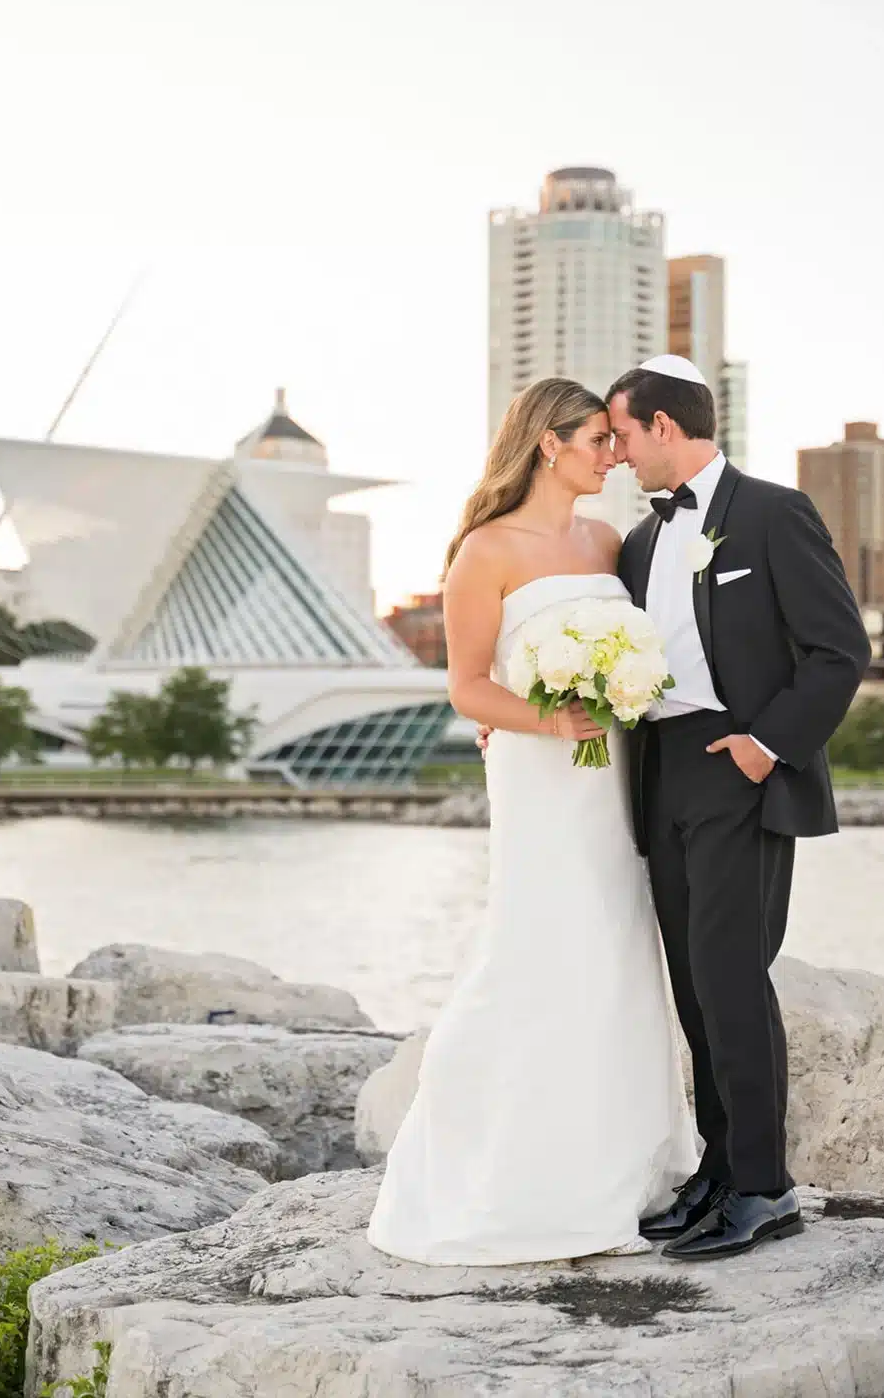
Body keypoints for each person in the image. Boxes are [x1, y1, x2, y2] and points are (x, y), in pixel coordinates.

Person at [367, 378, 697, 1266]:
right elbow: (468, 685)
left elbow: (649, 643)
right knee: (539, 946)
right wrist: (549, 718)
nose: (611, 453)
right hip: (541, 776)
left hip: (613, 775)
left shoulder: (607, 541)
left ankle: (619, 1165)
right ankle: (499, 1167)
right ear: (548, 444)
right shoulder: (484, 550)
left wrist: (619, 689)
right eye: (596, 438)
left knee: (618, 947)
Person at [601, 353, 871, 1260]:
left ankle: (766, 1187)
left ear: (666, 428)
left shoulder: (772, 513)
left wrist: (765, 745)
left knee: (731, 977)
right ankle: (719, 1173)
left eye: (625, 433)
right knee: (690, 982)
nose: (620, 451)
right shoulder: (639, 543)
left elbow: (838, 649)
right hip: (662, 770)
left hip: (741, 764)